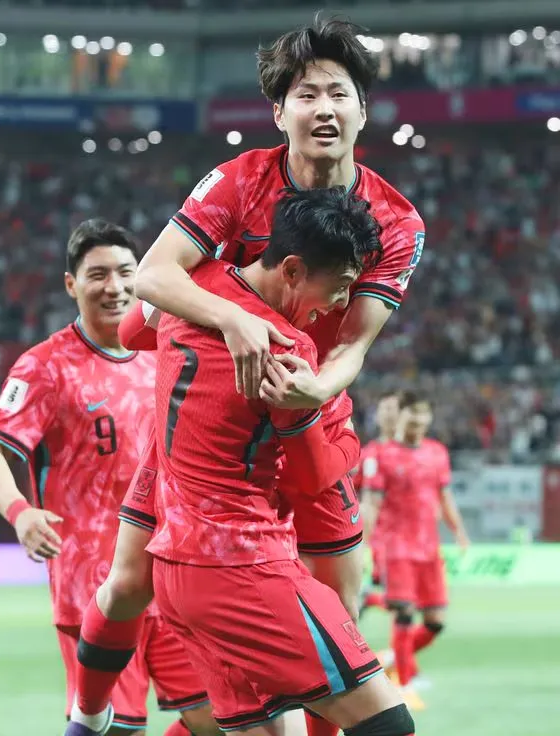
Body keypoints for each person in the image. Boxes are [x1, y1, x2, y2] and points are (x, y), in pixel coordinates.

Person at [71, 17, 424, 736]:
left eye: (339, 94)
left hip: (309, 412)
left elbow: (354, 342)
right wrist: (233, 320)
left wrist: (317, 390)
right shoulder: (240, 181)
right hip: (214, 425)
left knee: (339, 610)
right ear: (278, 111)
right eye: (306, 94)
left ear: (363, 110)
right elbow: (155, 278)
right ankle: (89, 717)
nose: (323, 109)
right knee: (130, 581)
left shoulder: (397, 221)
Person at [150, 188, 414, 736]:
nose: (340, 304)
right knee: (388, 723)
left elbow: (134, 328)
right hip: (243, 568)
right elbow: (316, 477)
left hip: (174, 568)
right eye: (340, 285)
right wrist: (349, 442)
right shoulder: (286, 352)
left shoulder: (193, 285)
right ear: (292, 269)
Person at [0, 220, 211, 736]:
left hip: (170, 578)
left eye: (125, 272)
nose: (115, 287)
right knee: (117, 729)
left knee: (221, 719)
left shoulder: (166, 351)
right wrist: (20, 512)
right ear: (71, 284)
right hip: (94, 589)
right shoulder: (45, 366)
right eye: (97, 274)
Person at [359, 391, 470, 710]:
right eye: (412, 413)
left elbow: (445, 497)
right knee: (404, 612)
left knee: (435, 621)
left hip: (429, 549)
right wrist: (362, 542)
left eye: (423, 413)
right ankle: (404, 684)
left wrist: (459, 531)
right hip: (395, 546)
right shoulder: (380, 455)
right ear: (402, 415)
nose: (418, 420)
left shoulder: (437, 453)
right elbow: (370, 503)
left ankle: (393, 658)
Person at [356, 391, 401, 618]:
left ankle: (369, 597)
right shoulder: (369, 453)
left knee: (410, 601)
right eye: (384, 409)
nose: (389, 414)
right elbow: (353, 491)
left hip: (410, 535)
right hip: (380, 538)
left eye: (394, 409)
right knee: (402, 603)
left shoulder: (419, 453)